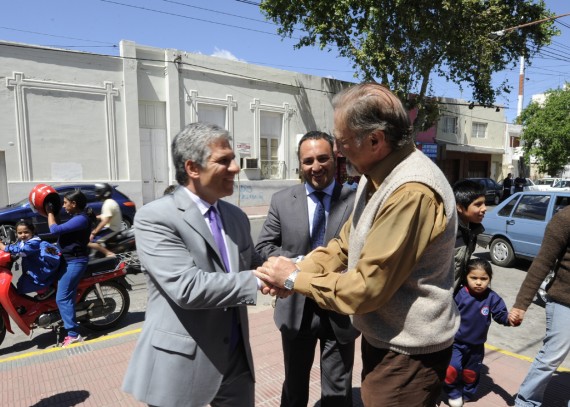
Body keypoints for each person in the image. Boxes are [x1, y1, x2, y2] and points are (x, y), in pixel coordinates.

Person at [255, 82, 460, 406]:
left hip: (408, 355)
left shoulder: (410, 191)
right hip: (387, 341)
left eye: (342, 141)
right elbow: (345, 244)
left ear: (375, 140)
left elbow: (365, 288)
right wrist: (294, 269)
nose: (338, 151)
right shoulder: (376, 175)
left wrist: (293, 279)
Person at [122, 122, 277, 407]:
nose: (235, 168)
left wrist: (289, 267)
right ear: (193, 168)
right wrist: (259, 279)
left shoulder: (235, 216)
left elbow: (251, 262)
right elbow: (187, 288)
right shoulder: (155, 218)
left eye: (234, 159)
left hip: (234, 360)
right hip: (180, 363)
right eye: (224, 160)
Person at [256, 131, 359, 407]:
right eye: (308, 160)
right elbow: (264, 247)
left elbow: (362, 253)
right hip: (295, 307)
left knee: (338, 389)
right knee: (295, 384)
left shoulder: (356, 200)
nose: (316, 166)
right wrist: (299, 265)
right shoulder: (281, 200)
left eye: (323, 158)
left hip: (339, 309)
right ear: (300, 164)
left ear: (335, 158)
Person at [509, 205, 570, 407]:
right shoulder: (565, 218)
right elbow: (542, 262)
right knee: (551, 358)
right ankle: (526, 402)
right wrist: (521, 304)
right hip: (564, 301)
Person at [444, 258, 513, 407]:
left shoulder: (492, 298)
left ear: (490, 279)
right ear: (465, 277)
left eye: (484, 278)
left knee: (470, 373)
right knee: (452, 370)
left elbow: (501, 315)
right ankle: (453, 393)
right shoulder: (460, 294)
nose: (478, 282)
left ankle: (467, 393)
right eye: (473, 277)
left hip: (476, 346)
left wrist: (510, 319)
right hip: (456, 342)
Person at [46, 190, 94, 347]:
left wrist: (50, 212)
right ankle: (67, 322)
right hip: (68, 260)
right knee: (67, 296)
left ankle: (73, 334)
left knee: (62, 297)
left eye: (66, 202)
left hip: (75, 262)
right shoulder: (76, 217)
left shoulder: (81, 219)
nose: (63, 205)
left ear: (74, 204)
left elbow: (55, 230)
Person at [0, 219, 59, 298]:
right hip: (31, 267)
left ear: (32, 231)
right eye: (20, 233)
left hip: (37, 269)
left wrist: (4, 247)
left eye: (26, 232)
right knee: (25, 282)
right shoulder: (25, 241)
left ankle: (46, 292)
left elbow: (22, 250)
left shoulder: (34, 243)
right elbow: (17, 246)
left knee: (30, 283)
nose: (23, 235)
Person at [453, 179, 486, 294]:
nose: (484, 208)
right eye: (478, 204)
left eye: (484, 203)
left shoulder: (472, 229)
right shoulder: (447, 233)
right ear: (460, 207)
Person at [88, 183, 123, 257]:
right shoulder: (109, 202)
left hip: (112, 229)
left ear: (104, 192)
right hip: (111, 227)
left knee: (89, 242)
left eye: (98, 192)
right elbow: (105, 216)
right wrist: (93, 217)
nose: (96, 194)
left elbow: (105, 221)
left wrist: (93, 233)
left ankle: (108, 253)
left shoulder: (108, 204)